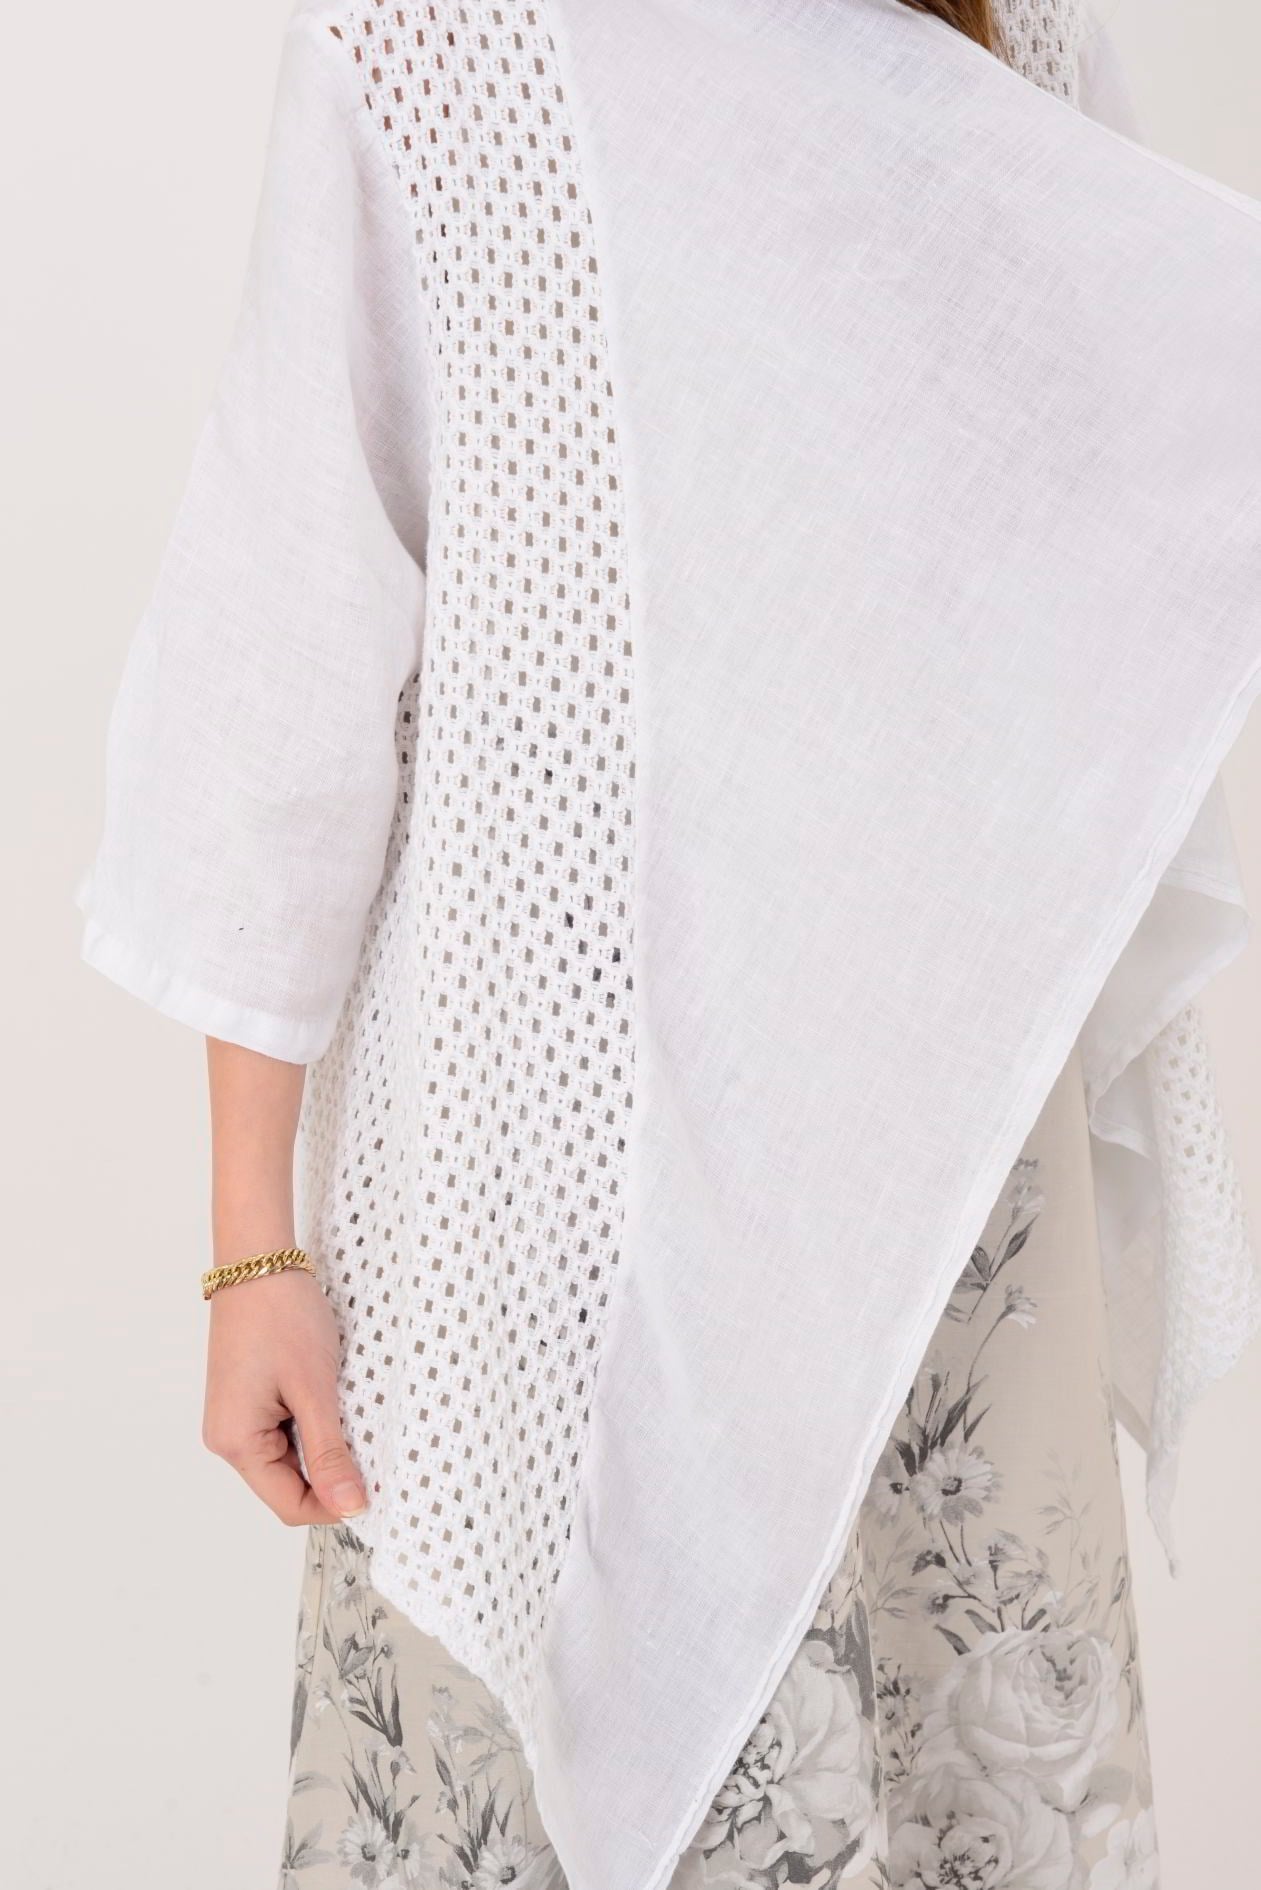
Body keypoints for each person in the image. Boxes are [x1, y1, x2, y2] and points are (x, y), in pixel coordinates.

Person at [76, 2, 1261, 1885]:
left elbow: (1114, 535)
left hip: (924, 1175)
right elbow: (286, 635)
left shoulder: (1013, 28)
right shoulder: (434, 37)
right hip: (543, 1179)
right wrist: (253, 1242)